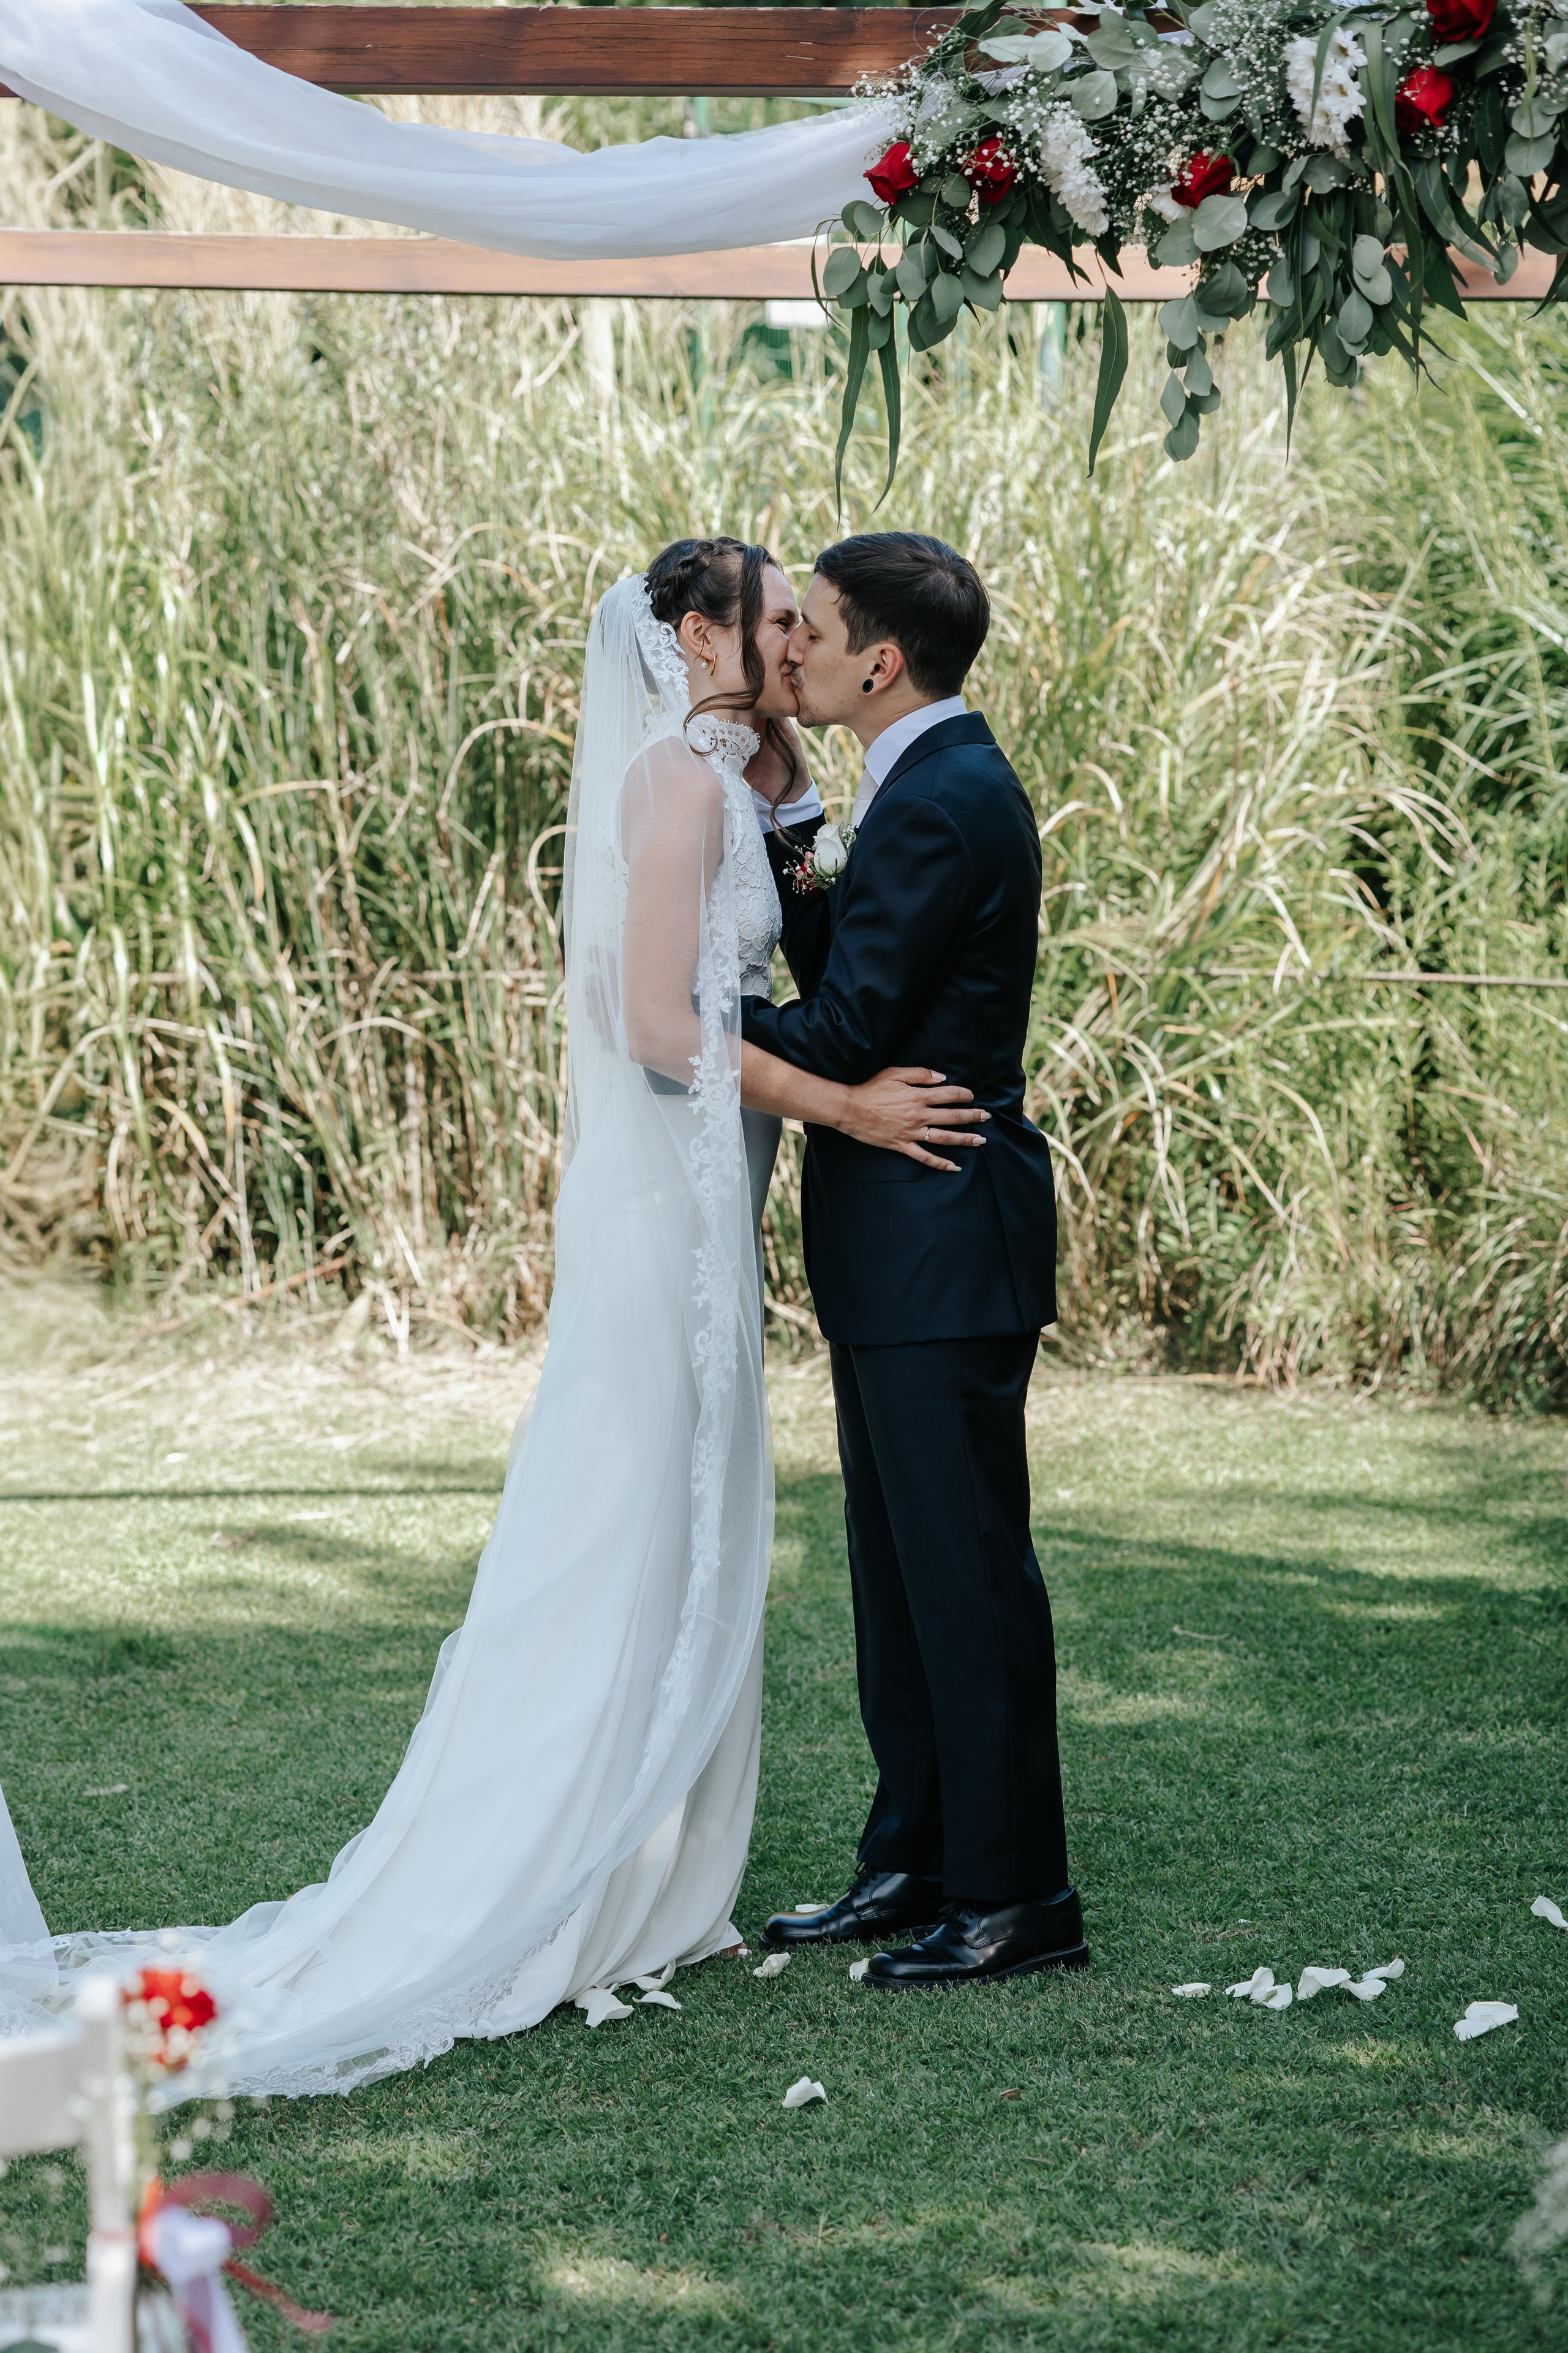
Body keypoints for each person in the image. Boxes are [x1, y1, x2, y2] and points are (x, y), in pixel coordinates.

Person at [0, 537, 986, 2090]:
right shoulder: (668, 782)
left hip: (711, 1191)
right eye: (771, 616)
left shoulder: (734, 780)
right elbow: (649, 1019)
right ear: (690, 633)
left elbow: (776, 943)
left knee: (699, 1509)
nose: (796, 636)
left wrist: (790, 798)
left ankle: (663, 1875)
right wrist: (844, 1110)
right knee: (623, 1508)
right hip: (664, 1201)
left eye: (808, 619)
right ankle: (558, 1854)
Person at [743, 532, 1087, 1989]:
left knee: (964, 1579)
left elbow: (836, 1035)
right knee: (894, 1575)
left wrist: (681, 1016)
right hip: (902, 1246)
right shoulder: (915, 784)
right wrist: (788, 831)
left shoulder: (947, 799)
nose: (792, 653)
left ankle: (1015, 1900)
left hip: (940, 1235)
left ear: (878, 660)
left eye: (811, 631)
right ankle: (914, 1857)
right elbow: (856, 976)